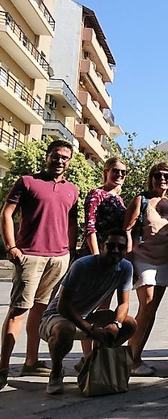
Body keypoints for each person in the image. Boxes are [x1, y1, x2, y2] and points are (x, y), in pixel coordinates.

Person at [1, 139, 78, 389]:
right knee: (19, 310)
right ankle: (3, 367)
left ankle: (31, 361)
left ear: (69, 161)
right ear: (47, 156)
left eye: (65, 157)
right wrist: (11, 247)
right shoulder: (27, 181)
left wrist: (70, 252)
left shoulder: (72, 190)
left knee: (41, 310)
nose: (60, 161)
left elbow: (72, 224)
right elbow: (6, 212)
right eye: (56, 156)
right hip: (30, 255)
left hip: (58, 259)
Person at [38, 230, 138, 395]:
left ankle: (90, 360)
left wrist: (115, 324)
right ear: (101, 246)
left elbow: (124, 304)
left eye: (120, 247)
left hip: (88, 316)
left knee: (130, 324)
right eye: (110, 246)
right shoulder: (82, 265)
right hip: (57, 316)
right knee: (65, 330)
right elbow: (64, 306)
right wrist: (90, 330)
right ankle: (56, 372)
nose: (115, 250)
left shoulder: (126, 267)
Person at [123, 161, 168, 376]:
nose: (161, 178)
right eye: (157, 175)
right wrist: (129, 261)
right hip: (143, 259)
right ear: (151, 178)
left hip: (165, 261)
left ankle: (136, 356)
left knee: (151, 311)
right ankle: (130, 358)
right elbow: (127, 229)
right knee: (145, 307)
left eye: (166, 175)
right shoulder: (141, 200)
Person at [77, 156, 128, 368]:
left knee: (104, 309)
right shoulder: (96, 194)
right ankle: (87, 356)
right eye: (115, 171)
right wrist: (98, 258)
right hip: (96, 257)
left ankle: (97, 354)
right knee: (87, 308)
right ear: (106, 171)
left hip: (114, 258)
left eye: (123, 173)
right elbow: (90, 227)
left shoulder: (119, 198)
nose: (119, 175)